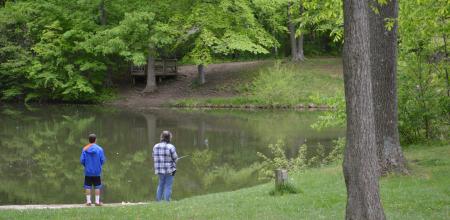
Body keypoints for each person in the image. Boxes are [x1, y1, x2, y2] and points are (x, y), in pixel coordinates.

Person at [80, 133, 106, 206]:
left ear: (89, 140)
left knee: (87, 186)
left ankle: (88, 202)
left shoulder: (85, 149)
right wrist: (98, 165)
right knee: (97, 186)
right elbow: (103, 160)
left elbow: (82, 160)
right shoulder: (100, 149)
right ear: (95, 140)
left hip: (88, 171)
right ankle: (97, 202)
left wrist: (87, 165)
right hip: (97, 171)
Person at [152, 130, 178, 201]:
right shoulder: (171, 147)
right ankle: (167, 201)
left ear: (161, 137)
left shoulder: (155, 146)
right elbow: (175, 158)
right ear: (169, 138)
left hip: (159, 170)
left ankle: (158, 201)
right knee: (168, 186)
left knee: (161, 185)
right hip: (171, 170)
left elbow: (153, 156)